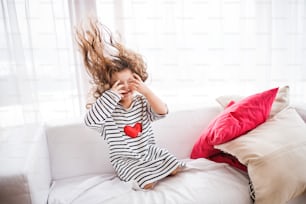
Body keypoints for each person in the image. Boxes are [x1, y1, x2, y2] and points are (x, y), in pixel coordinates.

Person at [75, 19, 184, 190]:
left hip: (149, 153)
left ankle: (155, 171)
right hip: (125, 161)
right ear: (109, 87)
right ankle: (147, 177)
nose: (125, 86)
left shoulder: (141, 102)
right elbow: (90, 121)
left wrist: (146, 92)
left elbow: (163, 112)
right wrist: (111, 96)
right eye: (118, 83)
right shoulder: (107, 112)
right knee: (146, 182)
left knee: (176, 166)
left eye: (129, 81)